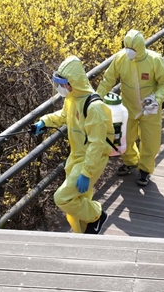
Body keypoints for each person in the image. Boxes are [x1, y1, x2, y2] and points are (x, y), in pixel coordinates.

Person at [31, 56, 114, 234]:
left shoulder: (94, 108)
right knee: (79, 197)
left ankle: (98, 215)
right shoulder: (73, 98)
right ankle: (83, 232)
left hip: (91, 159)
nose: (60, 88)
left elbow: (97, 144)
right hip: (76, 156)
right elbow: (63, 116)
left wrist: (86, 172)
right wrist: (44, 122)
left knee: (62, 197)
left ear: (72, 82)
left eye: (62, 84)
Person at [96, 29, 164, 187]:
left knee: (150, 141)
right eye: (127, 47)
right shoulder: (121, 58)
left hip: (149, 108)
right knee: (126, 137)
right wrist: (97, 98)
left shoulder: (154, 60)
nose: (129, 51)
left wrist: (157, 99)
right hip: (128, 106)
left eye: (133, 48)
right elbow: (107, 80)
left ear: (140, 47)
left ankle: (145, 170)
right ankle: (130, 161)